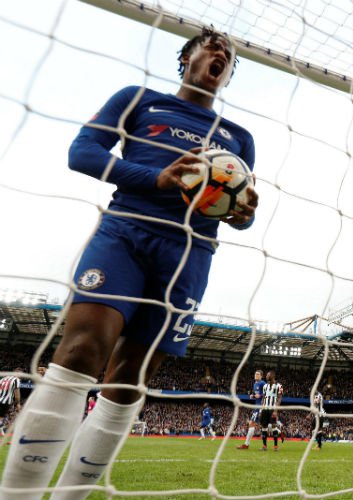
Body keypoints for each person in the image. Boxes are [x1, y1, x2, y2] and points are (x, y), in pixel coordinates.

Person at [0, 26, 257, 500]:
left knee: (131, 381)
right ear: (187, 58)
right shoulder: (139, 99)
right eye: (211, 46)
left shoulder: (238, 138)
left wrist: (243, 214)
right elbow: (82, 153)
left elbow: (238, 214)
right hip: (126, 235)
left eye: (229, 54)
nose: (221, 53)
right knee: (81, 351)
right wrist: (155, 178)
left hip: (190, 255)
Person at [237, 370, 266, 449]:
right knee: (254, 424)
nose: (255, 375)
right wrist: (253, 396)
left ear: (261, 376)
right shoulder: (255, 384)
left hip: (261, 406)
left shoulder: (262, 383)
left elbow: (267, 393)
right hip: (257, 405)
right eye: (255, 374)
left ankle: (246, 444)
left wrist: (259, 395)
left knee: (252, 423)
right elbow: (257, 395)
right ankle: (246, 444)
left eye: (257, 374)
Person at [259, 370, 283, 451]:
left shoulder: (279, 386)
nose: (266, 376)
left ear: (272, 376)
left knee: (273, 427)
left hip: (272, 409)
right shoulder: (265, 386)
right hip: (265, 409)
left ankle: (276, 447)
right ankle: (264, 446)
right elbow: (263, 398)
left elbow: (279, 398)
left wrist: (276, 411)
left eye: (267, 375)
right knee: (264, 427)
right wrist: (260, 410)